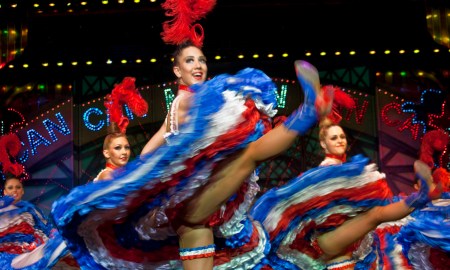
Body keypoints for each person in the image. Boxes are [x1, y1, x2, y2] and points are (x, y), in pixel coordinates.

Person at [51, 57, 334, 269]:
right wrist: (130, 181)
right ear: (177, 70)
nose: (198, 65)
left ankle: (308, 111)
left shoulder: (206, 99)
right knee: (195, 225)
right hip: (185, 189)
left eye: (201, 59)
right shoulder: (188, 102)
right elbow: (152, 152)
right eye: (189, 60)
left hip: (202, 185)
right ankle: (308, 111)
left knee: (248, 159)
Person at [250, 117, 443, 269]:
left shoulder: (351, 172)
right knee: (376, 217)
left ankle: (420, 197)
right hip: (329, 244)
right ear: (323, 145)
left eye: (342, 137)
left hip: (352, 246)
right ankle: (419, 197)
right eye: (334, 138)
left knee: (382, 220)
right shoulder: (327, 172)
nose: (340, 141)